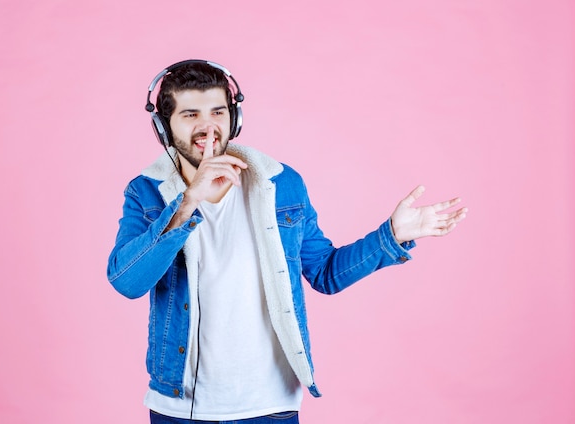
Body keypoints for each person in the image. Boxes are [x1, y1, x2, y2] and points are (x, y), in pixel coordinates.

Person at [107, 60, 467, 424]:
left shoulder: (281, 184)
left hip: (270, 407)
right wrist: (188, 202)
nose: (207, 126)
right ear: (164, 127)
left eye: (217, 111)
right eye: (190, 114)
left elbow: (325, 273)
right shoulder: (146, 192)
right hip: (178, 409)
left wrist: (392, 236)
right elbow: (127, 282)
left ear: (235, 117)